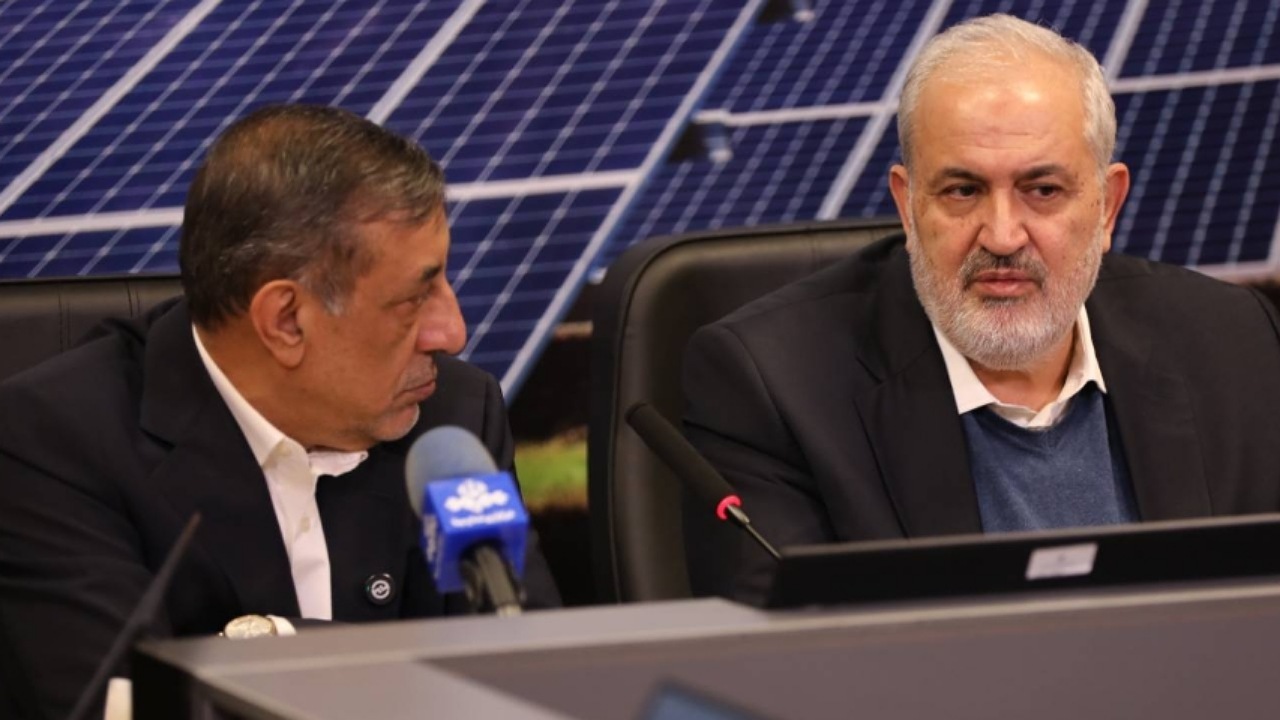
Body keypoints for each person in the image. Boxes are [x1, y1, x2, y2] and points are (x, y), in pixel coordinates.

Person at [681, 14, 1280, 605]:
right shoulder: (772, 387)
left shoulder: (1233, 341)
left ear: (1106, 207)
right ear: (908, 207)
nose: (1002, 236)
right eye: (963, 191)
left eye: (1042, 191)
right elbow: (790, 653)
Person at [0, 104, 560, 718]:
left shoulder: (452, 415)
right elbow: (122, 704)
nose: (452, 332)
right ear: (286, 320)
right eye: (412, 299)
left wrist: (264, 645)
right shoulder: (53, 446)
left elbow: (529, 673)